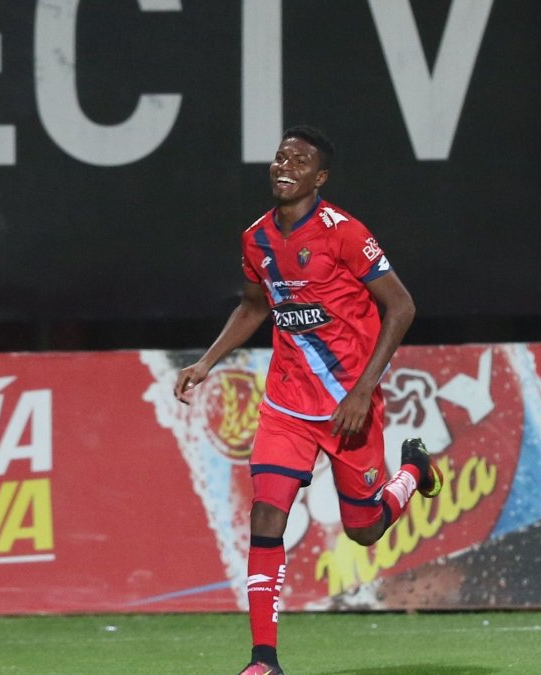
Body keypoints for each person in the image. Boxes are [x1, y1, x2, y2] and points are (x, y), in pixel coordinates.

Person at [172, 126, 442, 675]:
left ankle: (413, 469)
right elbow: (254, 306)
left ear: (319, 178)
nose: (284, 165)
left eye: (299, 160)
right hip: (287, 405)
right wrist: (207, 361)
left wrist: (364, 390)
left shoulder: (344, 233)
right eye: (280, 156)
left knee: (364, 528)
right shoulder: (255, 238)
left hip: (349, 405)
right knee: (267, 514)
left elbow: (403, 306)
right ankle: (263, 660)